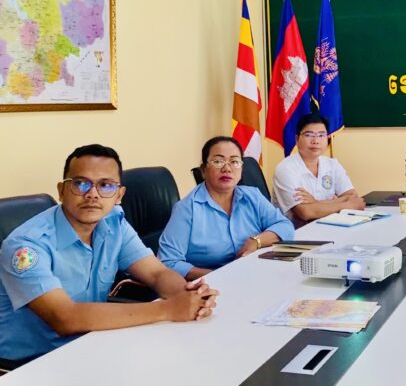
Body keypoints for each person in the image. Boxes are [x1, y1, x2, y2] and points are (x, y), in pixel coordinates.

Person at [0, 144, 218, 363]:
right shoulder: (26, 246)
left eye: (105, 185)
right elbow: (64, 317)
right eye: (81, 183)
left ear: (119, 195)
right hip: (29, 362)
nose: (92, 194)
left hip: (91, 342)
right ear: (62, 190)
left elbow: (156, 273)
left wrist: (189, 296)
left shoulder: (114, 224)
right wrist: (168, 309)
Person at [158, 136, 294, 280]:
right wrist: (219, 276)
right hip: (210, 285)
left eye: (234, 162)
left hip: (254, 275)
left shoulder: (252, 196)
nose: (227, 169)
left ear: (241, 169)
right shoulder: (187, 209)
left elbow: (285, 226)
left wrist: (256, 241)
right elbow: (168, 262)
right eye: (218, 161)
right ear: (204, 170)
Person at [273, 113, 364, 225]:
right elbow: (306, 213)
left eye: (321, 135)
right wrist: (347, 205)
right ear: (297, 139)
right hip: (297, 232)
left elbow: (352, 196)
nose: (316, 141)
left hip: (331, 226)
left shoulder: (332, 164)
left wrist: (315, 203)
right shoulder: (286, 169)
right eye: (309, 135)